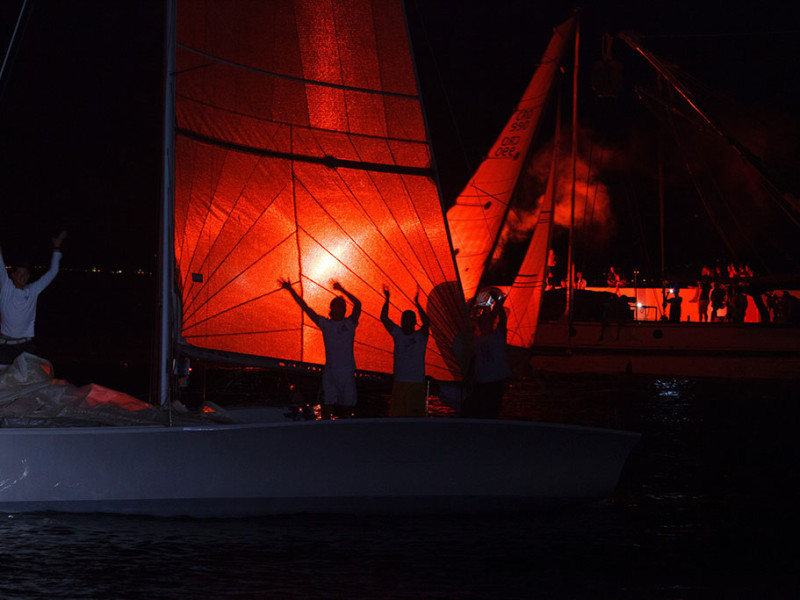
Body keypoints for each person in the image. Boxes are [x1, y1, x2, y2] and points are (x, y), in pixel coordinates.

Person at [280, 278, 361, 419]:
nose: (339, 309)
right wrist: (291, 290)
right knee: (326, 408)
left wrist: (342, 290)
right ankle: (326, 432)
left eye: (342, 307)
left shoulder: (350, 323)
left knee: (347, 409)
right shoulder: (325, 324)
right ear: (331, 309)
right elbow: (306, 308)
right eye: (336, 306)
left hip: (347, 372)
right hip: (330, 372)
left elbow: (358, 304)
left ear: (344, 309)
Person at [0, 231, 67, 365]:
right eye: (19, 273)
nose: (23, 276)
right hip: (5, 346)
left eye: (25, 274)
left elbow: (53, 272)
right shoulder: (6, 288)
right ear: (13, 275)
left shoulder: (33, 290)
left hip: (26, 346)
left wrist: (57, 248)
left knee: (31, 381)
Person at [380, 286, 430, 417]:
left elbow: (426, 323)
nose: (405, 322)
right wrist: (387, 299)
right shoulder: (398, 334)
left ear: (414, 322)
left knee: (415, 419)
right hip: (399, 383)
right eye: (403, 319)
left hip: (416, 385)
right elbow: (384, 318)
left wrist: (417, 303)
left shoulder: (421, 336)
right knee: (397, 419)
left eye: (408, 319)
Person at [464, 288, 512, 419]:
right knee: (477, 412)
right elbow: (473, 361)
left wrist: (498, 303)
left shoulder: (498, 335)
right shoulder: (477, 340)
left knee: (492, 412)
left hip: (495, 382)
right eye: (482, 322)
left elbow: (502, 319)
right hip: (481, 383)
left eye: (486, 322)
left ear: (490, 324)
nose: (484, 324)